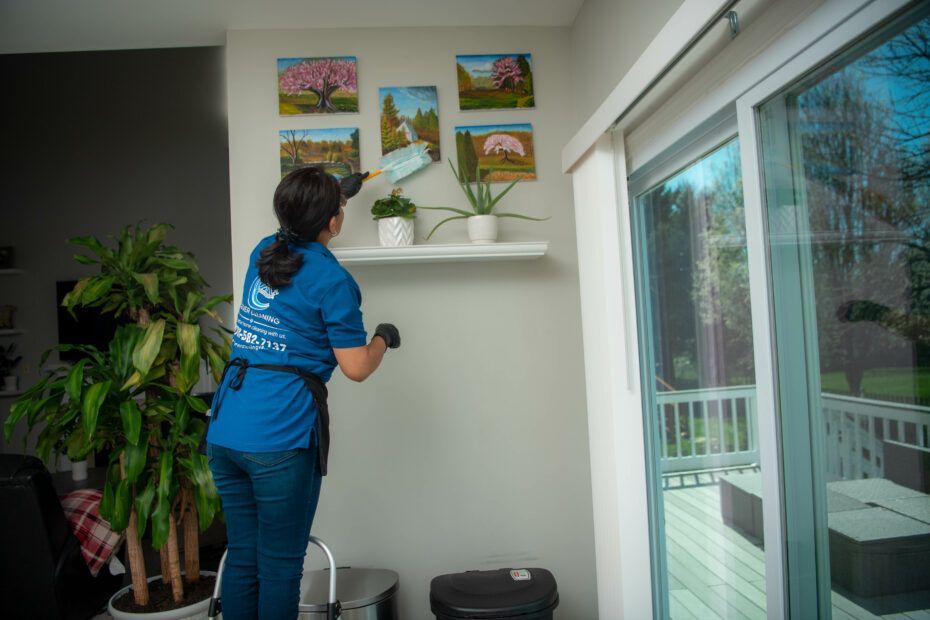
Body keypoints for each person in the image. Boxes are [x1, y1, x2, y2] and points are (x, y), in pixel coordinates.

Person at [206, 166, 400, 619]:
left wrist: (335, 193)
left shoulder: (264, 251)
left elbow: (297, 232)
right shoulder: (332, 282)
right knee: (279, 566)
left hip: (227, 430)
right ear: (333, 221)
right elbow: (356, 367)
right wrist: (383, 338)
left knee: (244, 556)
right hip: (279, 437)